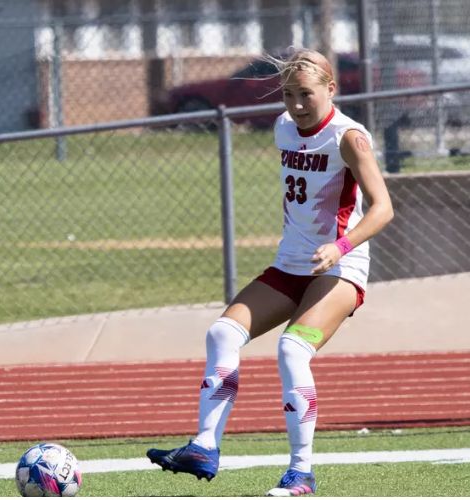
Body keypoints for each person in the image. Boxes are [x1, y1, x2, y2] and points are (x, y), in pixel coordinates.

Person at [146, 48, 394, 497]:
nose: (296, 105)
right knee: (222, 333)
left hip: (341, 269)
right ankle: (204, 446)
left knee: (291, 351)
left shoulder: (348, 137)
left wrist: (339, 247)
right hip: (289, 265)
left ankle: (301, 474)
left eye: (306, 94)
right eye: (288, 94)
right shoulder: (282, 127)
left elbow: (383, 209)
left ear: (330, 90)